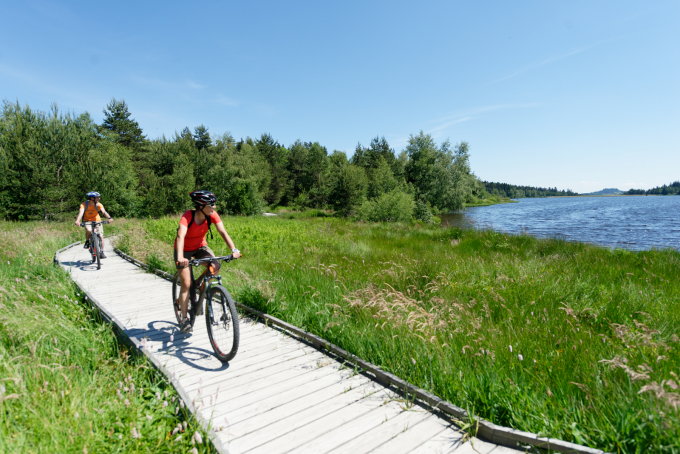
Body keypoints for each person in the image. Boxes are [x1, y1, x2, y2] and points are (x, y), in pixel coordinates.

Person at [175, 190, 241, 333]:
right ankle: (185, 320)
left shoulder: (212, 215)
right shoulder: (188, 216)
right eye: (211, 204)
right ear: (200, 206)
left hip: (200, 247)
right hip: (183, 250)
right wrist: (180, 257)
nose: (214, 207)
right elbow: (181, 236)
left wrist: (234, 249)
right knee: (186, 283)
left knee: (215, 265)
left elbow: (223, 232)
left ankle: (199, 282)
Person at [75, 191, 113, 258]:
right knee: (89, 230)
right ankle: (87, 241)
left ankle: (102, 252)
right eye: (97, 197)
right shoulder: (84, 204)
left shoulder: (99, 204)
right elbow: (81, 213)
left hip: (97, 221)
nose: (99, 199)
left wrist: (109, 218)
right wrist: (77, 221)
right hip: (87, 221)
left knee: (101, 236)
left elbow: (104, 212)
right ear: (92, 198)